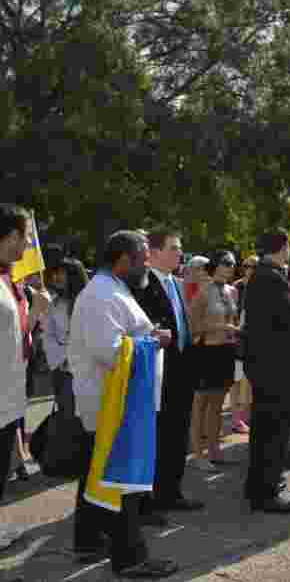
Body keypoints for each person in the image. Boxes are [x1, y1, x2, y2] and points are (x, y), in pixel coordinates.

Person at [68, 230, 177, 577]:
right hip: (110, 405)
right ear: (124, 260)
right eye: (143, 258)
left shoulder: (113, 289)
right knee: (121, 485)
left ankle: (88, 541)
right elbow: (112, 351)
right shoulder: (101, 294)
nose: (147, 263)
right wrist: (153, 341)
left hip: (115, 401)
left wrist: (144, 338)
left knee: (96, 475)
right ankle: (131, 559)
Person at [131, 229, 204, 517]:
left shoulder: (175, 282)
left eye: (179, 248)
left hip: (181, 372)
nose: (179, 253)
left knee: (176, 436)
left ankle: (172, 492)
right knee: (158, 439)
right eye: (173, 248)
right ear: (155, 251)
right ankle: (150, 501)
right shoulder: (144, 284)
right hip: (159, 374)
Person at [244, 229, 290, 513]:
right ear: (284, 247)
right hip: (277, 366)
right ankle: (267, 491)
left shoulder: (259, 275)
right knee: (275, 430)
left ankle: (256, 486)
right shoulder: (273, 277)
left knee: (262, 429)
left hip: (263, 364)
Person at [0, 205, 51, 501]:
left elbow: (14, 340)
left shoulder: (11, 281)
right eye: (27, 236)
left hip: (10, 401)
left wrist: (33, 315)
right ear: (9, 236)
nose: (30, 244)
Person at [187, 249, 241, 471]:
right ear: (215, 265)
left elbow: (233, 319)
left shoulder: (232, 291)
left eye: (232, 263)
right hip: (206, 351)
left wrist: (235, 329)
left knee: (218, 404)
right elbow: (192, 328)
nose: (230, 267)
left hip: (226, 351)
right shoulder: (203, 291)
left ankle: (214, 450)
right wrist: (220, 327)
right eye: (226, 262)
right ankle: (198, 455)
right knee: (201, 404)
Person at [43, 258, 89, 422]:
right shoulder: (54, 303)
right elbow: (48, 335)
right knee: (67, 416)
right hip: (63, 371)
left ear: (74, 276)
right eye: (56, 273)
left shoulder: (90, 301)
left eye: (61, 273)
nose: (56, 277)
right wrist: (62, 358)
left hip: (87, 371)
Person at [230, 255, 259, 433]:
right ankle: (236, 418)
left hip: (254, 341)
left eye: (254, 266)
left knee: (249, 382)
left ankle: (244, 415)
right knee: (236, 380)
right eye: (247, 266)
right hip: (238, 340)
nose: (250, 270)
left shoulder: (261, 288)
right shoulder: (237, 287)